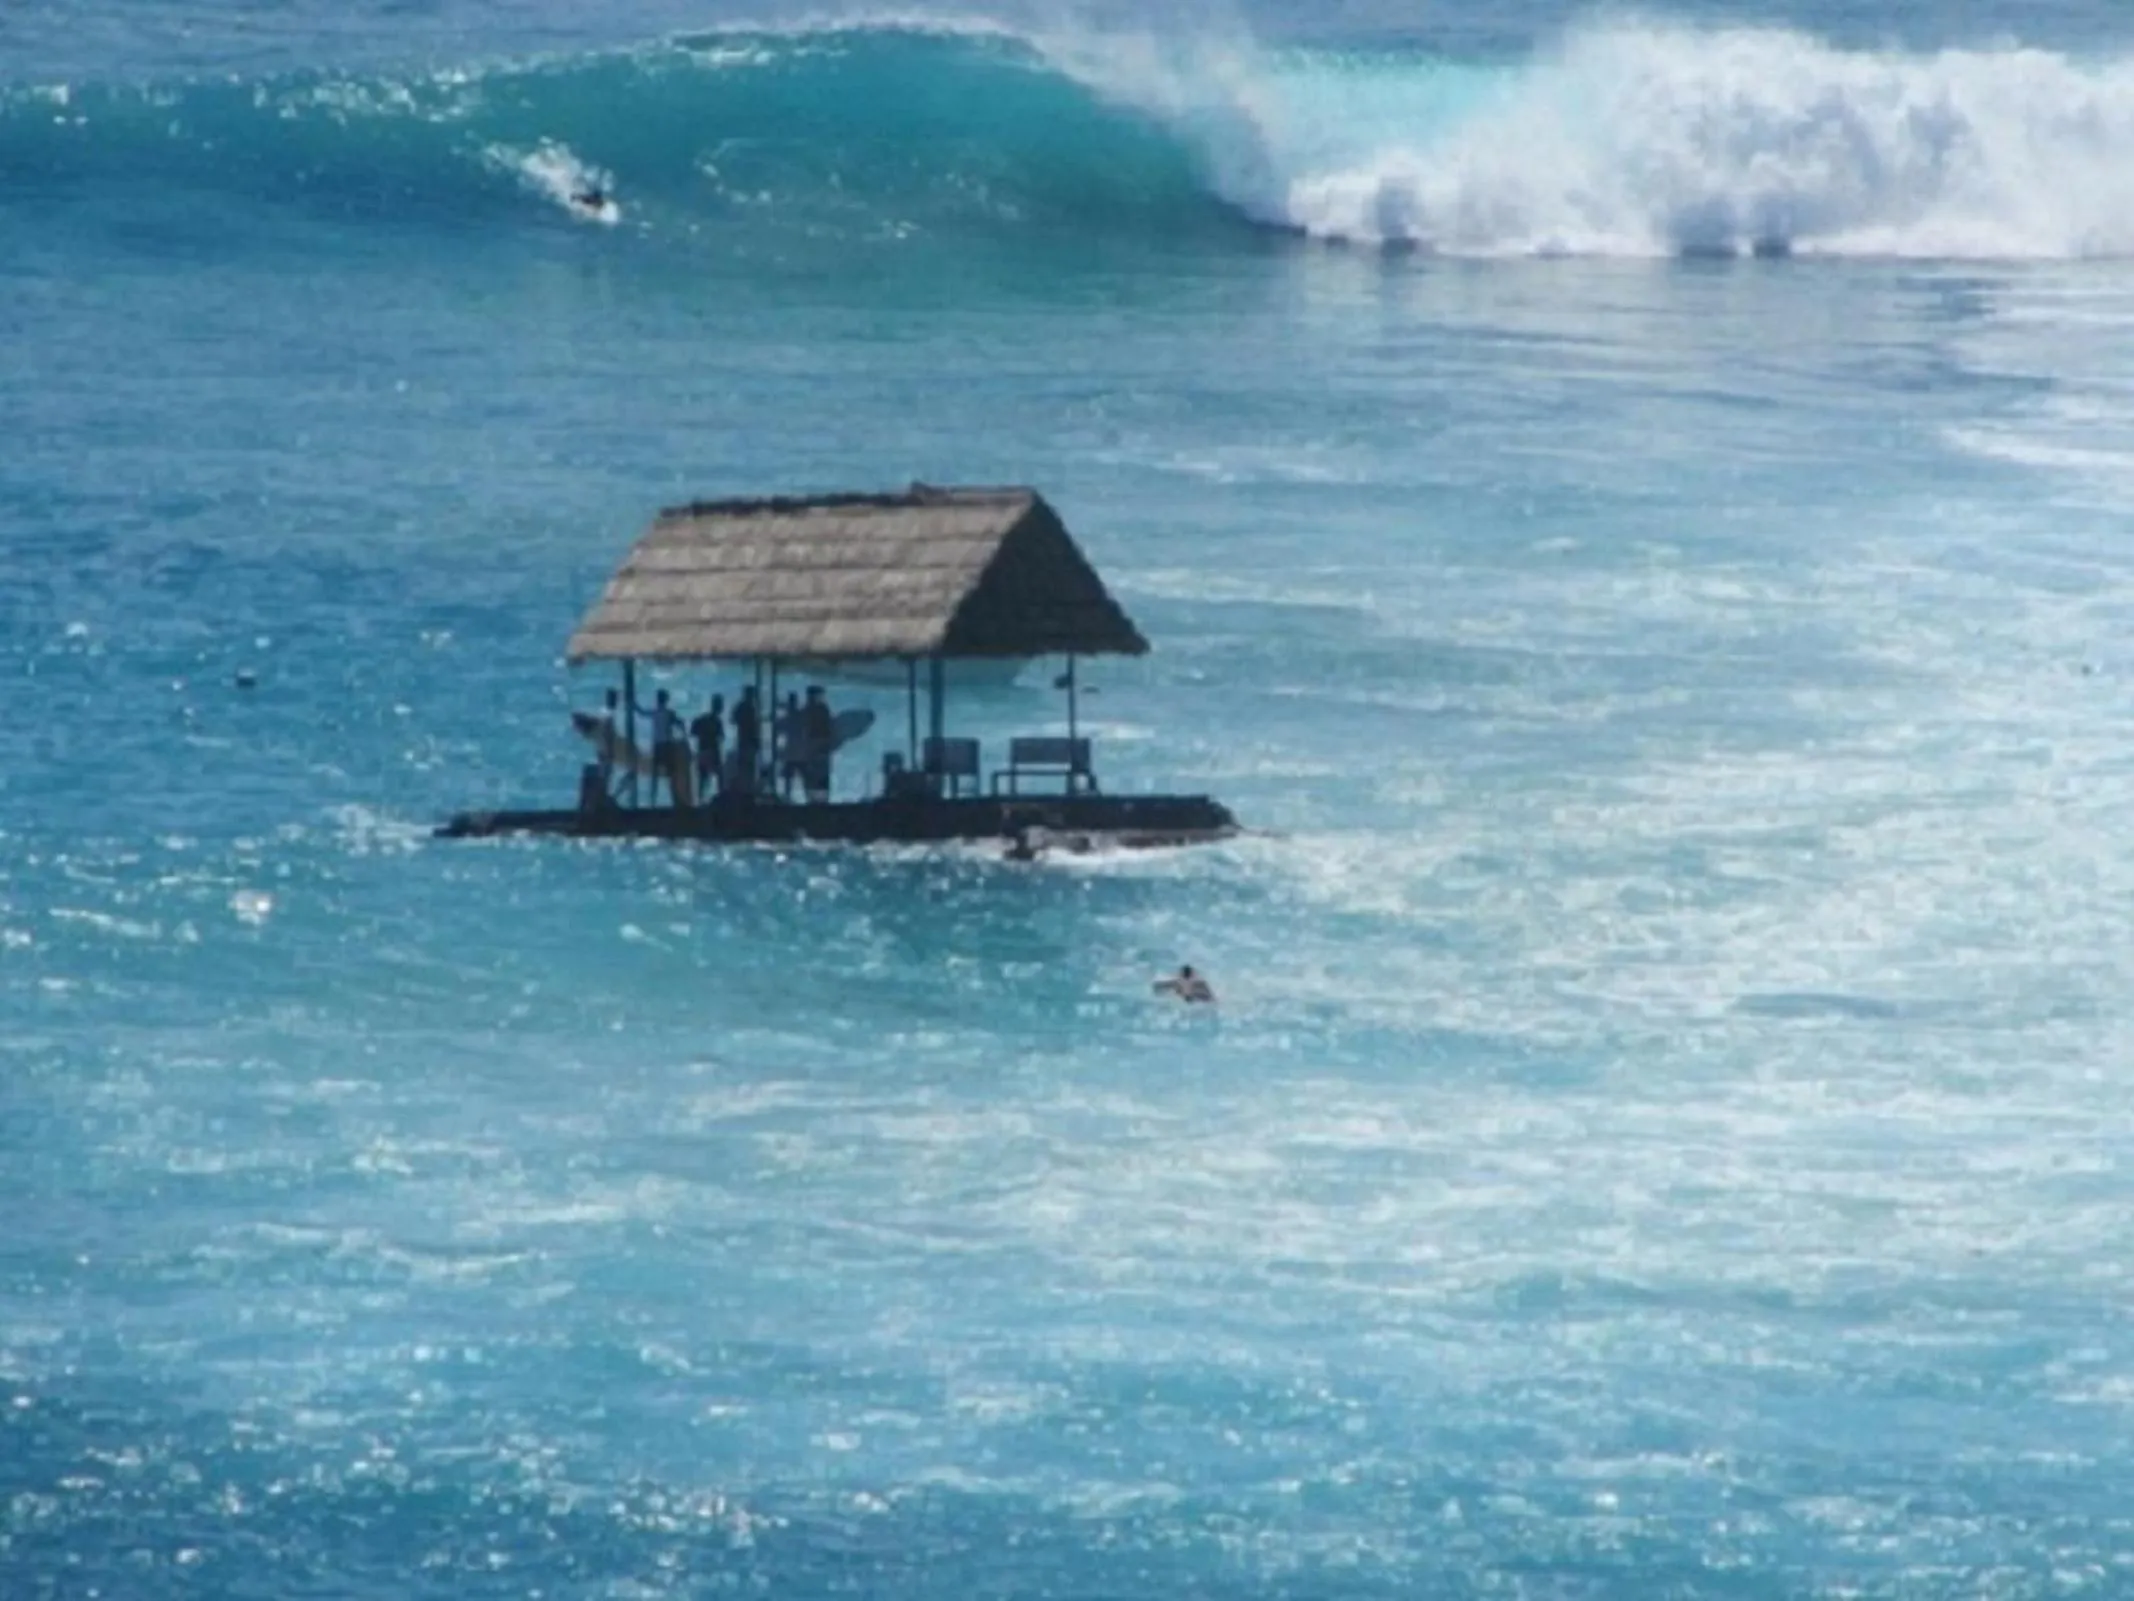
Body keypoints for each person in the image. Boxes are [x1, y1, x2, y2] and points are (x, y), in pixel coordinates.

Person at [639, 688, 690, 808]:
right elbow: (680, 723)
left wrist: (633, 704)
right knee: (670, 774)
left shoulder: (657, 712)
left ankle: (652, 800)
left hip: (659, 745)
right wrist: (684, 736)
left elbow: (642, 713)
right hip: (666, 745)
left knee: (656, 774)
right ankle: (673, 799)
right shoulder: (668, 713)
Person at [801, 686, 835, 802]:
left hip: (817, 745)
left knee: (817, 772)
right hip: (815, 745)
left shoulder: (817, 709)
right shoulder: (818, 709)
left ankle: (817, 797)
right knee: (815, 772)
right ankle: (816, 797)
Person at [691, 693, 725, 802]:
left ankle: (700, 801)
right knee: (720, 777)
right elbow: (721, 737)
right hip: (713, 752)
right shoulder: (717, 721)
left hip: (702, 751)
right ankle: (720, 800)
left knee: (702, 779)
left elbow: (693, 732)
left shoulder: (702, 719)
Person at [732, 686, 762, 799]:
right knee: (748, 766)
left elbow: (733, 719)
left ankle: (746, 789)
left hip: (744, 740)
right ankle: (747, 790)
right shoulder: (751, 707)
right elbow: (755, 726)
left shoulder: (743, 706)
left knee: (745, 766)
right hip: (747, 740)